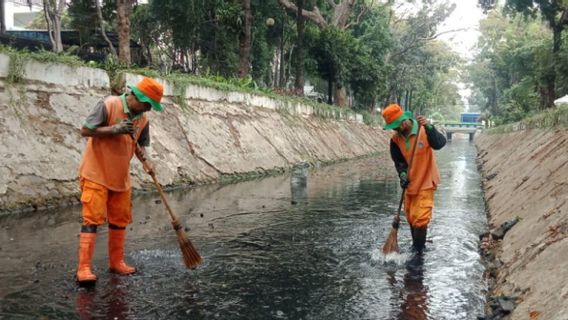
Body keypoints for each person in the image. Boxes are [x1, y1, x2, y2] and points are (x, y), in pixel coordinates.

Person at [75, 77, 164, 285]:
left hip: (120, 177)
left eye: (151, 106)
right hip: (96, 173)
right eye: (147, 104)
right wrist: (115, 129)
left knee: (119, 220)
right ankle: (84, 268)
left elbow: (139, 145)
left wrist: (147, 162)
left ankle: (116, 262)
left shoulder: (143, 120)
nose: (148, 109)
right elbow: (85, 130)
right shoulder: (109, 105)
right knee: (92, 219)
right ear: (135, 97)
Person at [381, 103, 446, 253]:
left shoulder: (424, 130)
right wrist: (402, 175)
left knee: (420, 219)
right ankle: (415, 247)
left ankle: (418, 252)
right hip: (410, 184)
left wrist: (430, 127)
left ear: (404, 121)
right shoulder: (395, 141)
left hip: (426, 180)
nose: (395, 129)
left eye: (396, 126)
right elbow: (399, 162)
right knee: (411, 217)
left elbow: (440, 144)